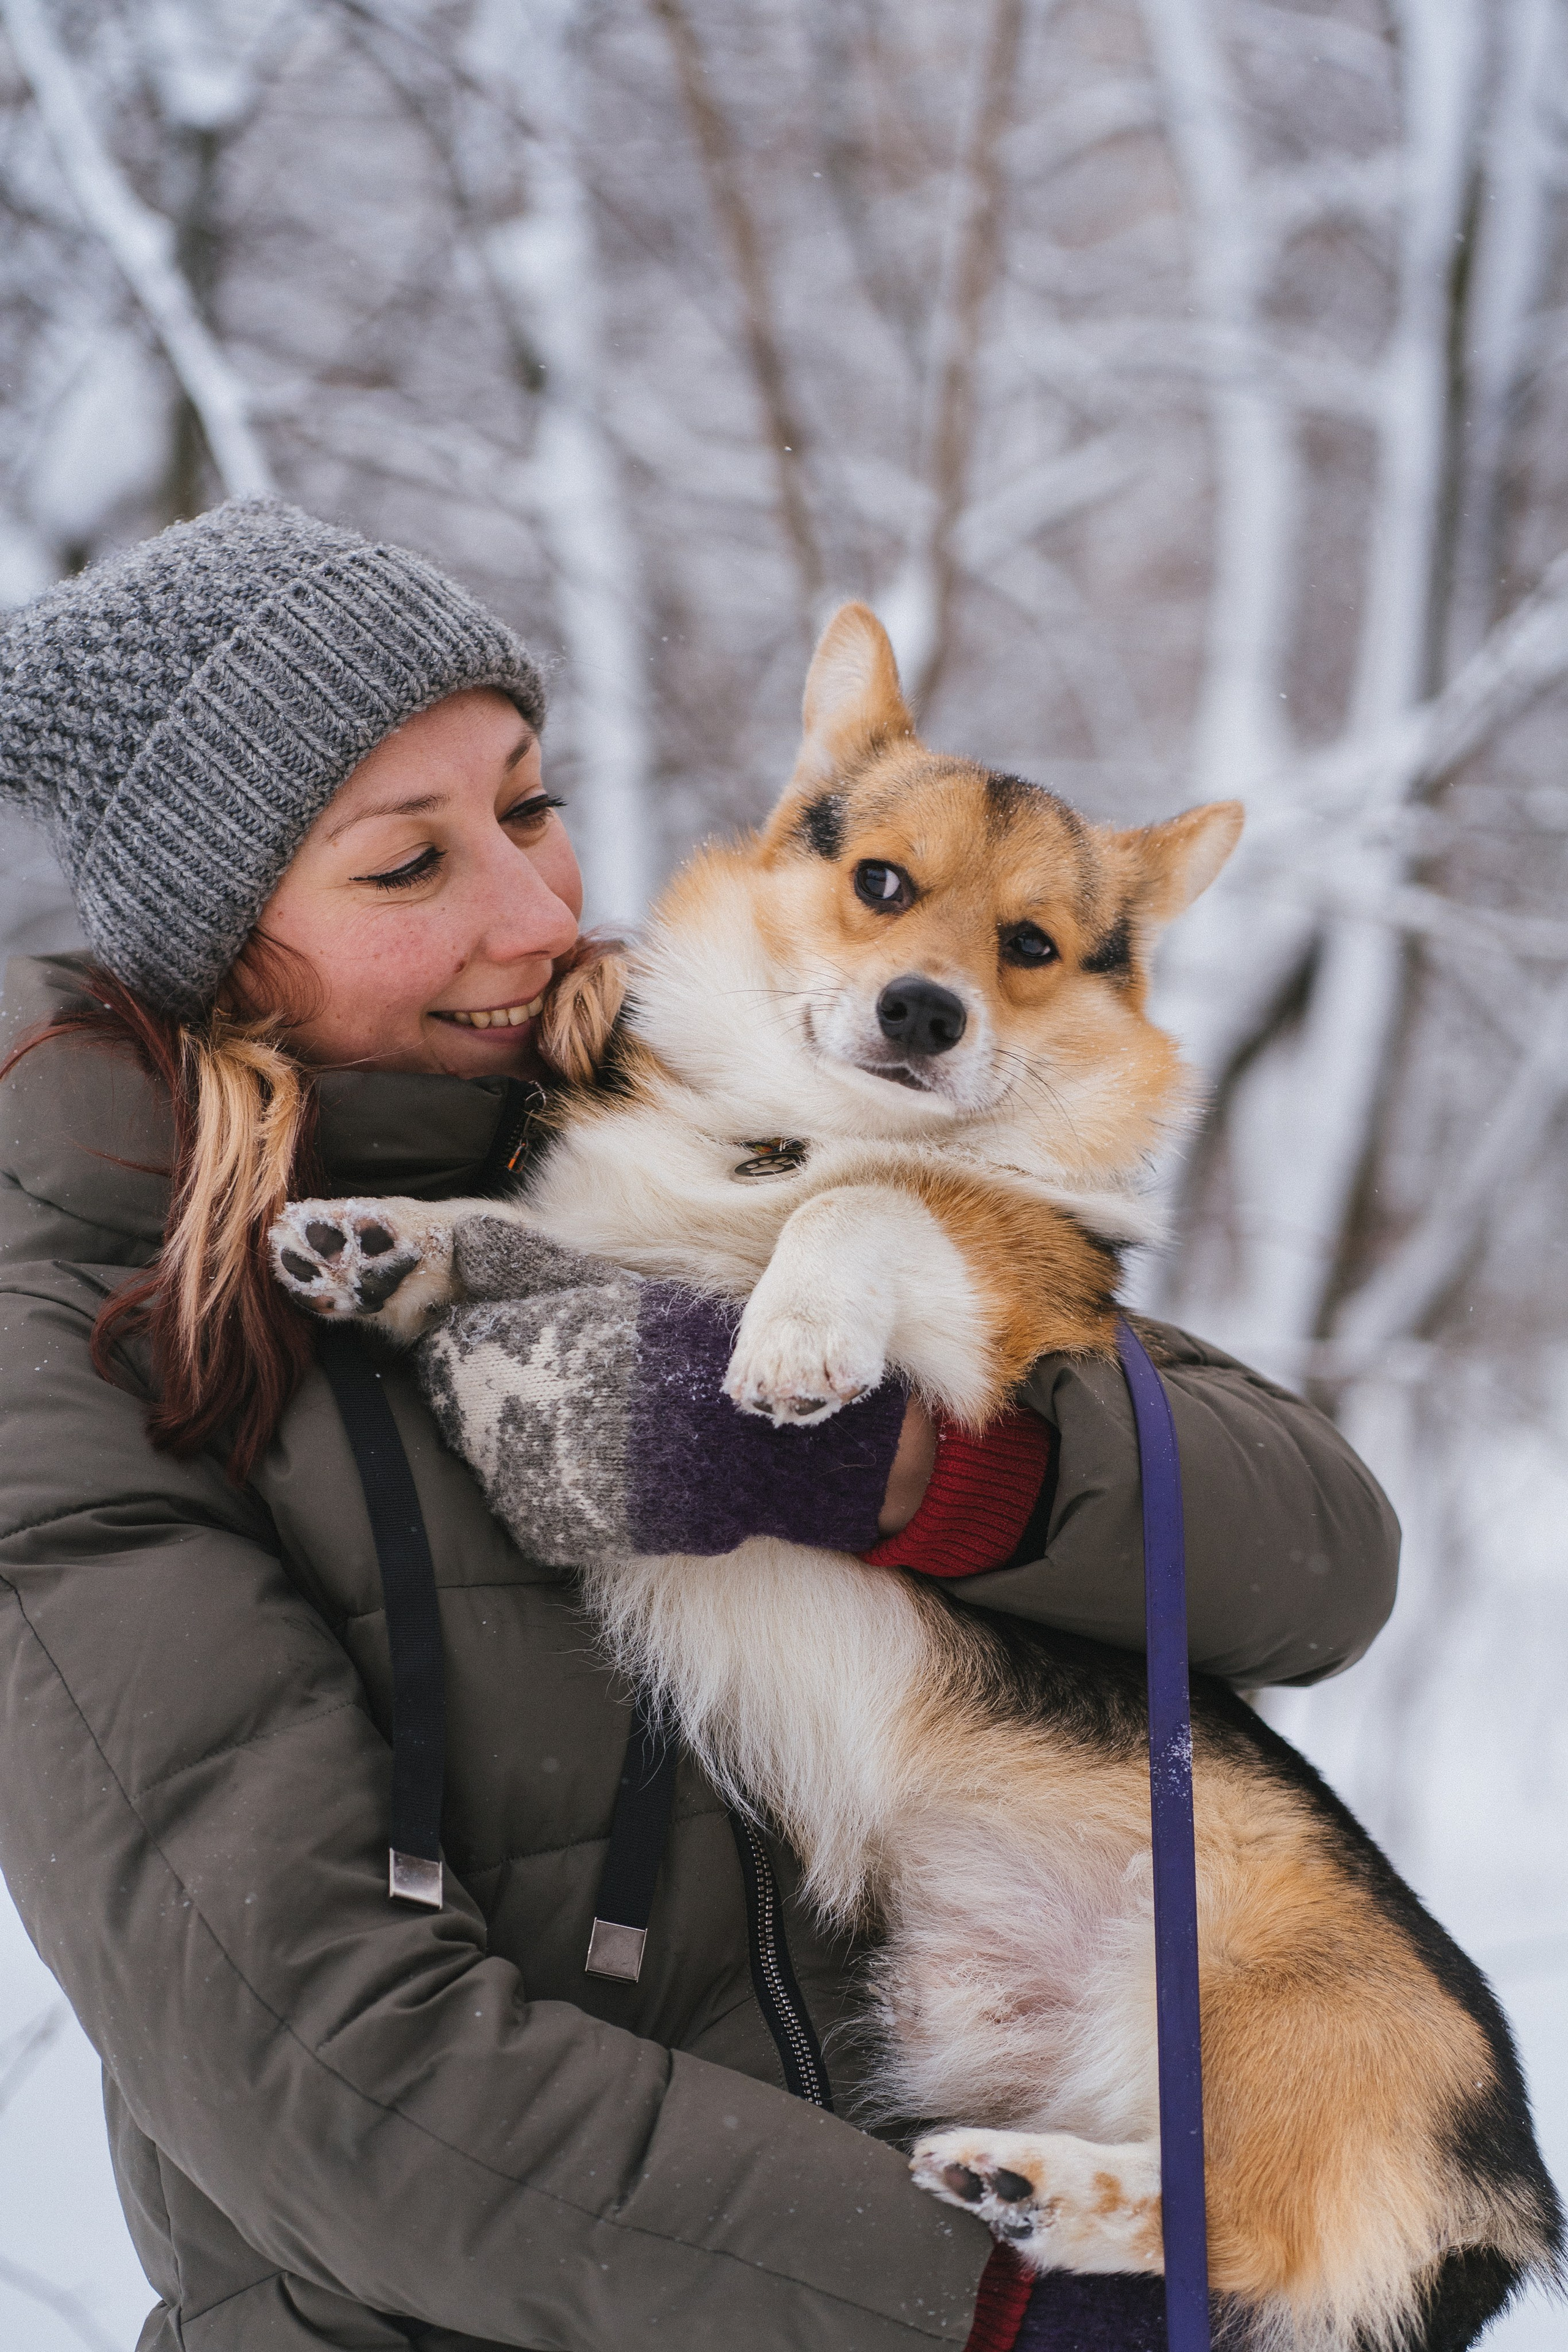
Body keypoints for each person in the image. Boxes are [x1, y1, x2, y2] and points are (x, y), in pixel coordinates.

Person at [0, 500, 1399, 2352]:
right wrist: (994, 2320)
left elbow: (1315, 1551)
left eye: (531, 804)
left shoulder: (686, 1106)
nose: (533, 908)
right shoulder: (81, 1337)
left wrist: (909, 1468)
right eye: (409, 867)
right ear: (224, 949)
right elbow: (334, 2078)